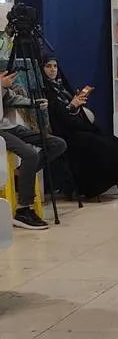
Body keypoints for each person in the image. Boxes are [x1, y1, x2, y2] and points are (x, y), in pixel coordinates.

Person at [40, 55, 118, 198]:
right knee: (99, 146)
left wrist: (76, 104)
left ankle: (115, 179)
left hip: (76, 126)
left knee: (114, 143)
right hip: (65, 132)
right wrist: (72, 106)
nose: (53, 70)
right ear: (42, 69)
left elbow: (70, 111)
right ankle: (93, 186)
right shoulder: (45, 90)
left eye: (55, 66)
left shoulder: (60, 86)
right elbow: (56, 116)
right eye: (48, 66)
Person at [0, 69, 66, 230]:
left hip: (9, 126)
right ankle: (23, 209)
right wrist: (0, 86)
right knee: (30, 155)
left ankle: (22, 173)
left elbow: (11, 98)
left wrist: (33, 103)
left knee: (57, 144)